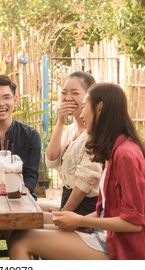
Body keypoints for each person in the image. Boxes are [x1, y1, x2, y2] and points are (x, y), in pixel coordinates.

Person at [9, 83, 145, 260]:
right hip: (104, 235)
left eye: (84, 106)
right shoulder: (114, 149)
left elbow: (134, 223)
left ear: (99, 108)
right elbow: (107, 211)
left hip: (118, 246)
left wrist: (80, 221)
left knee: (21, 242)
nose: (82, 114)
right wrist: (73, 219)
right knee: (20, 233)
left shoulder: (125, 154)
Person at [40, 71, 102, 222]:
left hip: (85, 209)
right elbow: (51, 160)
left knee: (26, 229)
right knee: (27, 216)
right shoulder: (71, 130)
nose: (67, 98)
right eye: (63, 93)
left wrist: (63, 213)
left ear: (89, 95)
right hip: (68, 202)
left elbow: (85, 183)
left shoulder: (96, 133)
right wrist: (60, 122)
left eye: (75, 93)